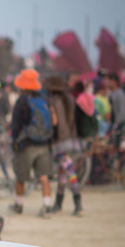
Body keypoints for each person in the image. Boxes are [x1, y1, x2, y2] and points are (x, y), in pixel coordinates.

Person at [9, 69, 54, 217]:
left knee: (21, 176)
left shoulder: (22, 101)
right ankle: (47, 204)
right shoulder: (44, 99)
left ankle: (18, 203)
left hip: (26, 144)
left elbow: (16, 124)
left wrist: (14, 140)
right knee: (44, 176)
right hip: (44, 143)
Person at [46, 75, 83, 216]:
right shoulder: (69, 99)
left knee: (69, 171)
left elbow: (54, 123)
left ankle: (77, 201)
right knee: (63, 172)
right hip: (71, 140)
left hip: (60, 142)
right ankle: (59, 202)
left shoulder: (53, 102)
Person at [107, 72, 125, 138]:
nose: (108, 83)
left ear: (115, 82)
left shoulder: (120, 93)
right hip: (113, 121)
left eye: (110, 81)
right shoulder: (111, 93)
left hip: (119, 122)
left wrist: (117, 123)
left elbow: (121, 110)